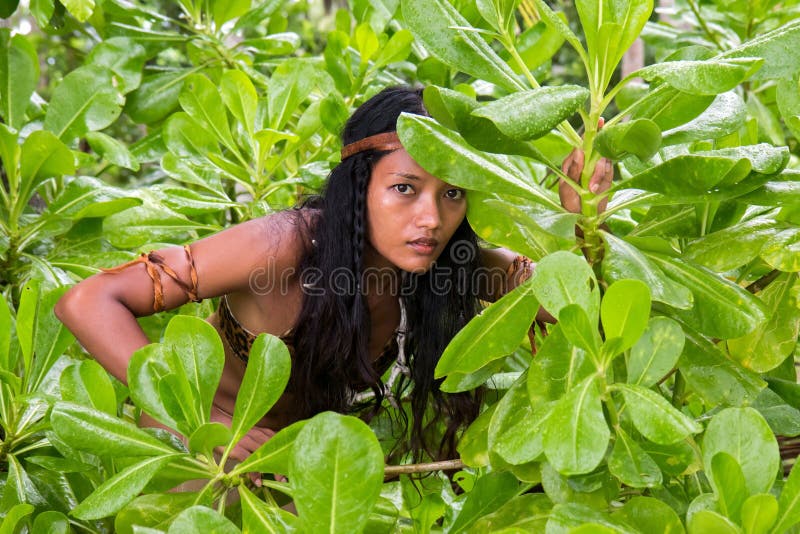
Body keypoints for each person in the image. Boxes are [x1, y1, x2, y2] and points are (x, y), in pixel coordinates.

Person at [55, 86, 612, 467]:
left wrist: (582, 217)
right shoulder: (282, 245)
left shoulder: (449, 264)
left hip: (306, 461)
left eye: (451, 193)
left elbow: (573, 305)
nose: (431, 218)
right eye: (404, 189)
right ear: (358, 186)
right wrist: (202, 423)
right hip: (198, 443)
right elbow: (88, 300)